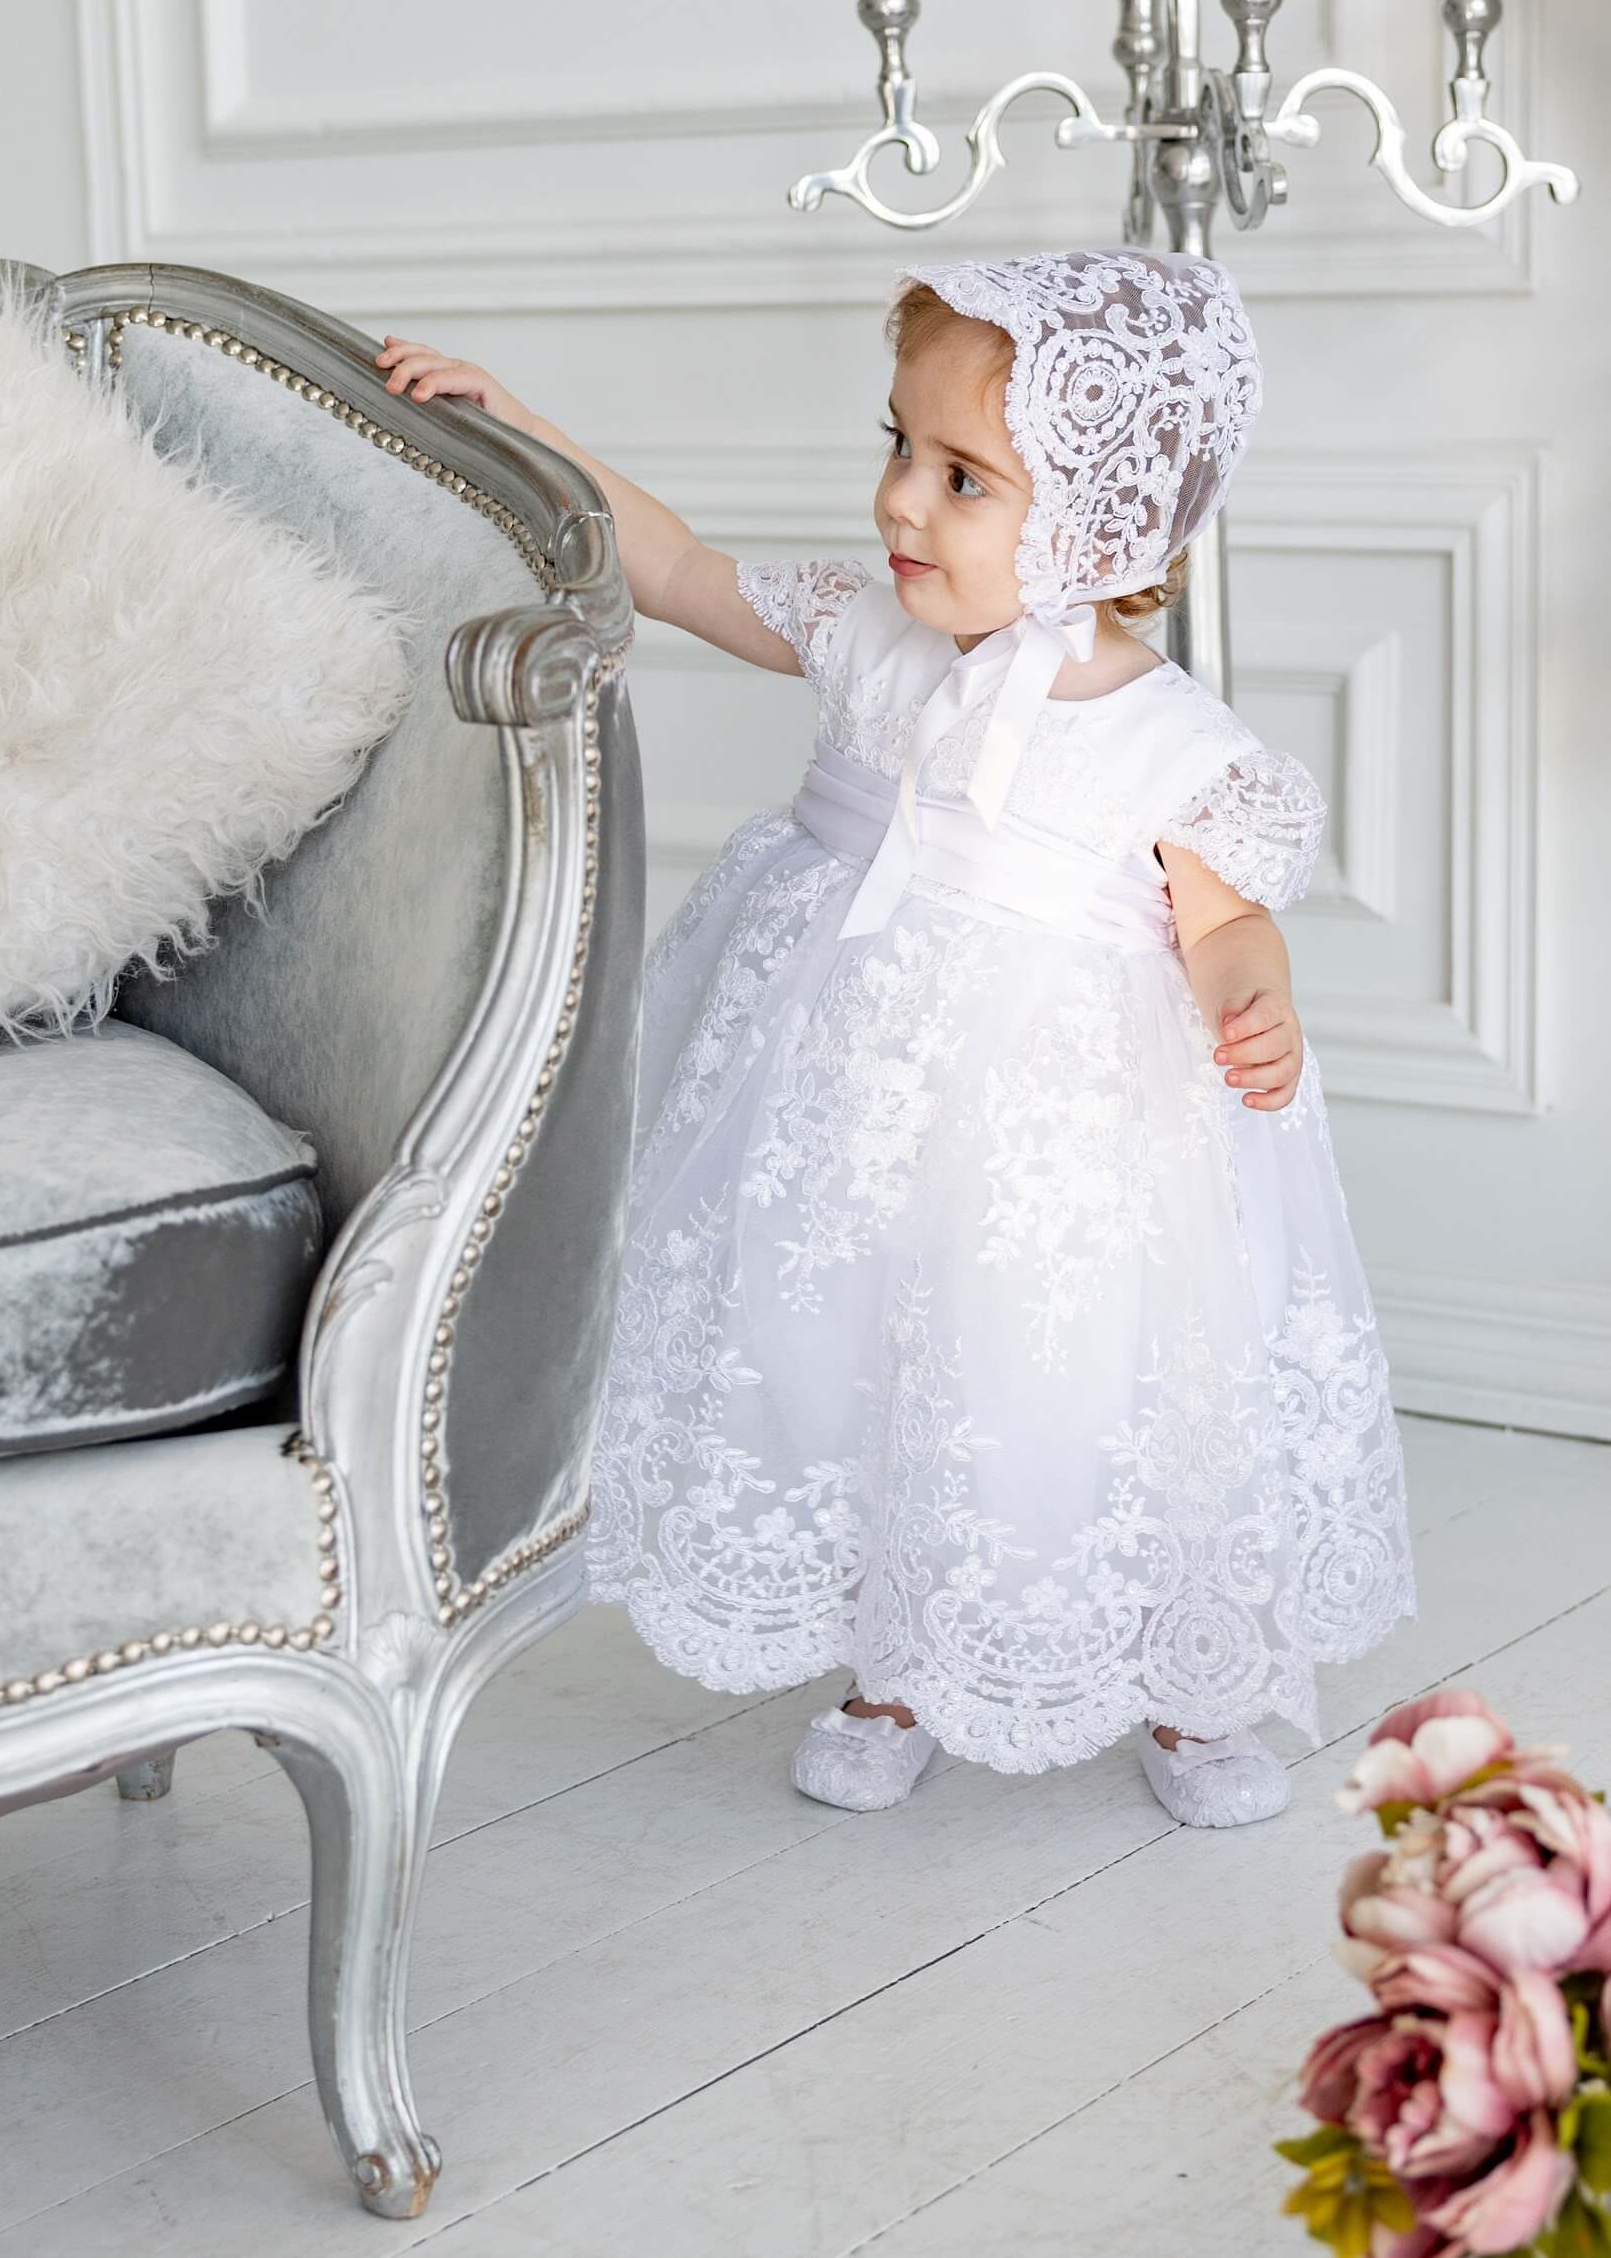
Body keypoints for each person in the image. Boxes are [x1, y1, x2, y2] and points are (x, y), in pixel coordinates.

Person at [376, 248, 1413, 1828]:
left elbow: (1223, 923)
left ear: (1102, 522)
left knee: (1073, 1386)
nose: (901, 506)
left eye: (964, 478)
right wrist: (522, 425)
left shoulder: (1168, 742)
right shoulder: (872, 637)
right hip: (845, 1107)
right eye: (898, 448)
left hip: (1060, 1144)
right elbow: (678, 568)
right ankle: (897, 1663)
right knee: (860, 1360)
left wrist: (1250, 1005)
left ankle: (1186, 1683)